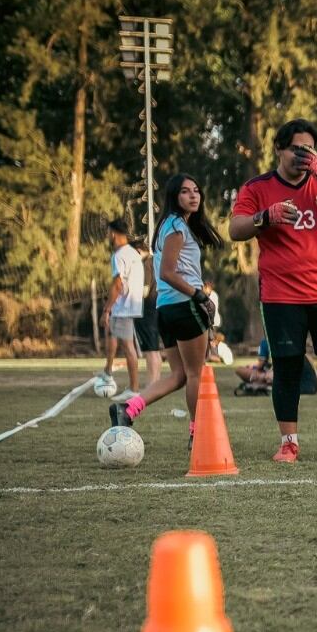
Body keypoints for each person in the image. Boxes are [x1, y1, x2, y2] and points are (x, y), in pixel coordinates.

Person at [229, 118, 317, 461]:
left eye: (309, 149)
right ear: (279, 148)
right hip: (281, 295)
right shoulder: (257, 187)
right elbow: (235, 229)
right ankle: (289, 441)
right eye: (296, 149)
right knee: (288, 366)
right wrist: (266, 216)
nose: (303, 156)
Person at [110, 173, 222, 448]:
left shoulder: (173, 225)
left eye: (196, 190)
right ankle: (197, 435)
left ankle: (128, 409)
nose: (193, 195)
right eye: (185, 192)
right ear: (174, 196)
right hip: (184, 306)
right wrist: (199, 295)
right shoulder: (175, 227)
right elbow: (167, 273)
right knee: (196, 373)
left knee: (179, 375)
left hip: (166, 309)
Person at [103, 220, 145, 396]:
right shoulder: (133, 254)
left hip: (124, 307)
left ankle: (133, 389)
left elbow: (118, 284)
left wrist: (107, 309)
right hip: (133, 305)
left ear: (113, 233)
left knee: (128, 347)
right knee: (122, 341)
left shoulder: (119, 255)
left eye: (108, 233)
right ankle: (108, 372)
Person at [135, 240, 163, 386]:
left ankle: (152, 383)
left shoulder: (146, 264)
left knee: (150, 350)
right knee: (155, 349)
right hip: (157, 307)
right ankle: (156, 381)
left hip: (147, 310)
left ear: (138, 251)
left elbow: (144, 290)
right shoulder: (156, 261)